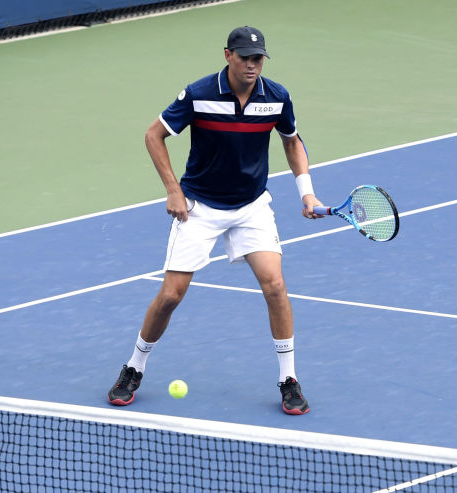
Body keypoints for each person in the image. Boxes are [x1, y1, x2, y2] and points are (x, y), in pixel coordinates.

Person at [107, 26, 323, 415]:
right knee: (171, 296)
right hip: (200, 207)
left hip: (251, 206)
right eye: (245, 58)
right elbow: (154, 135)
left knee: (276, 286)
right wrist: (173, 190)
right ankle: (134, 367)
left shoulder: (276, 97)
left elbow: (291, 140)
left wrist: (306, 192)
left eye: (258, 59)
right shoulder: (199, 94)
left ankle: (288, 379)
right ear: (228, 55)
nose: (252, 65)